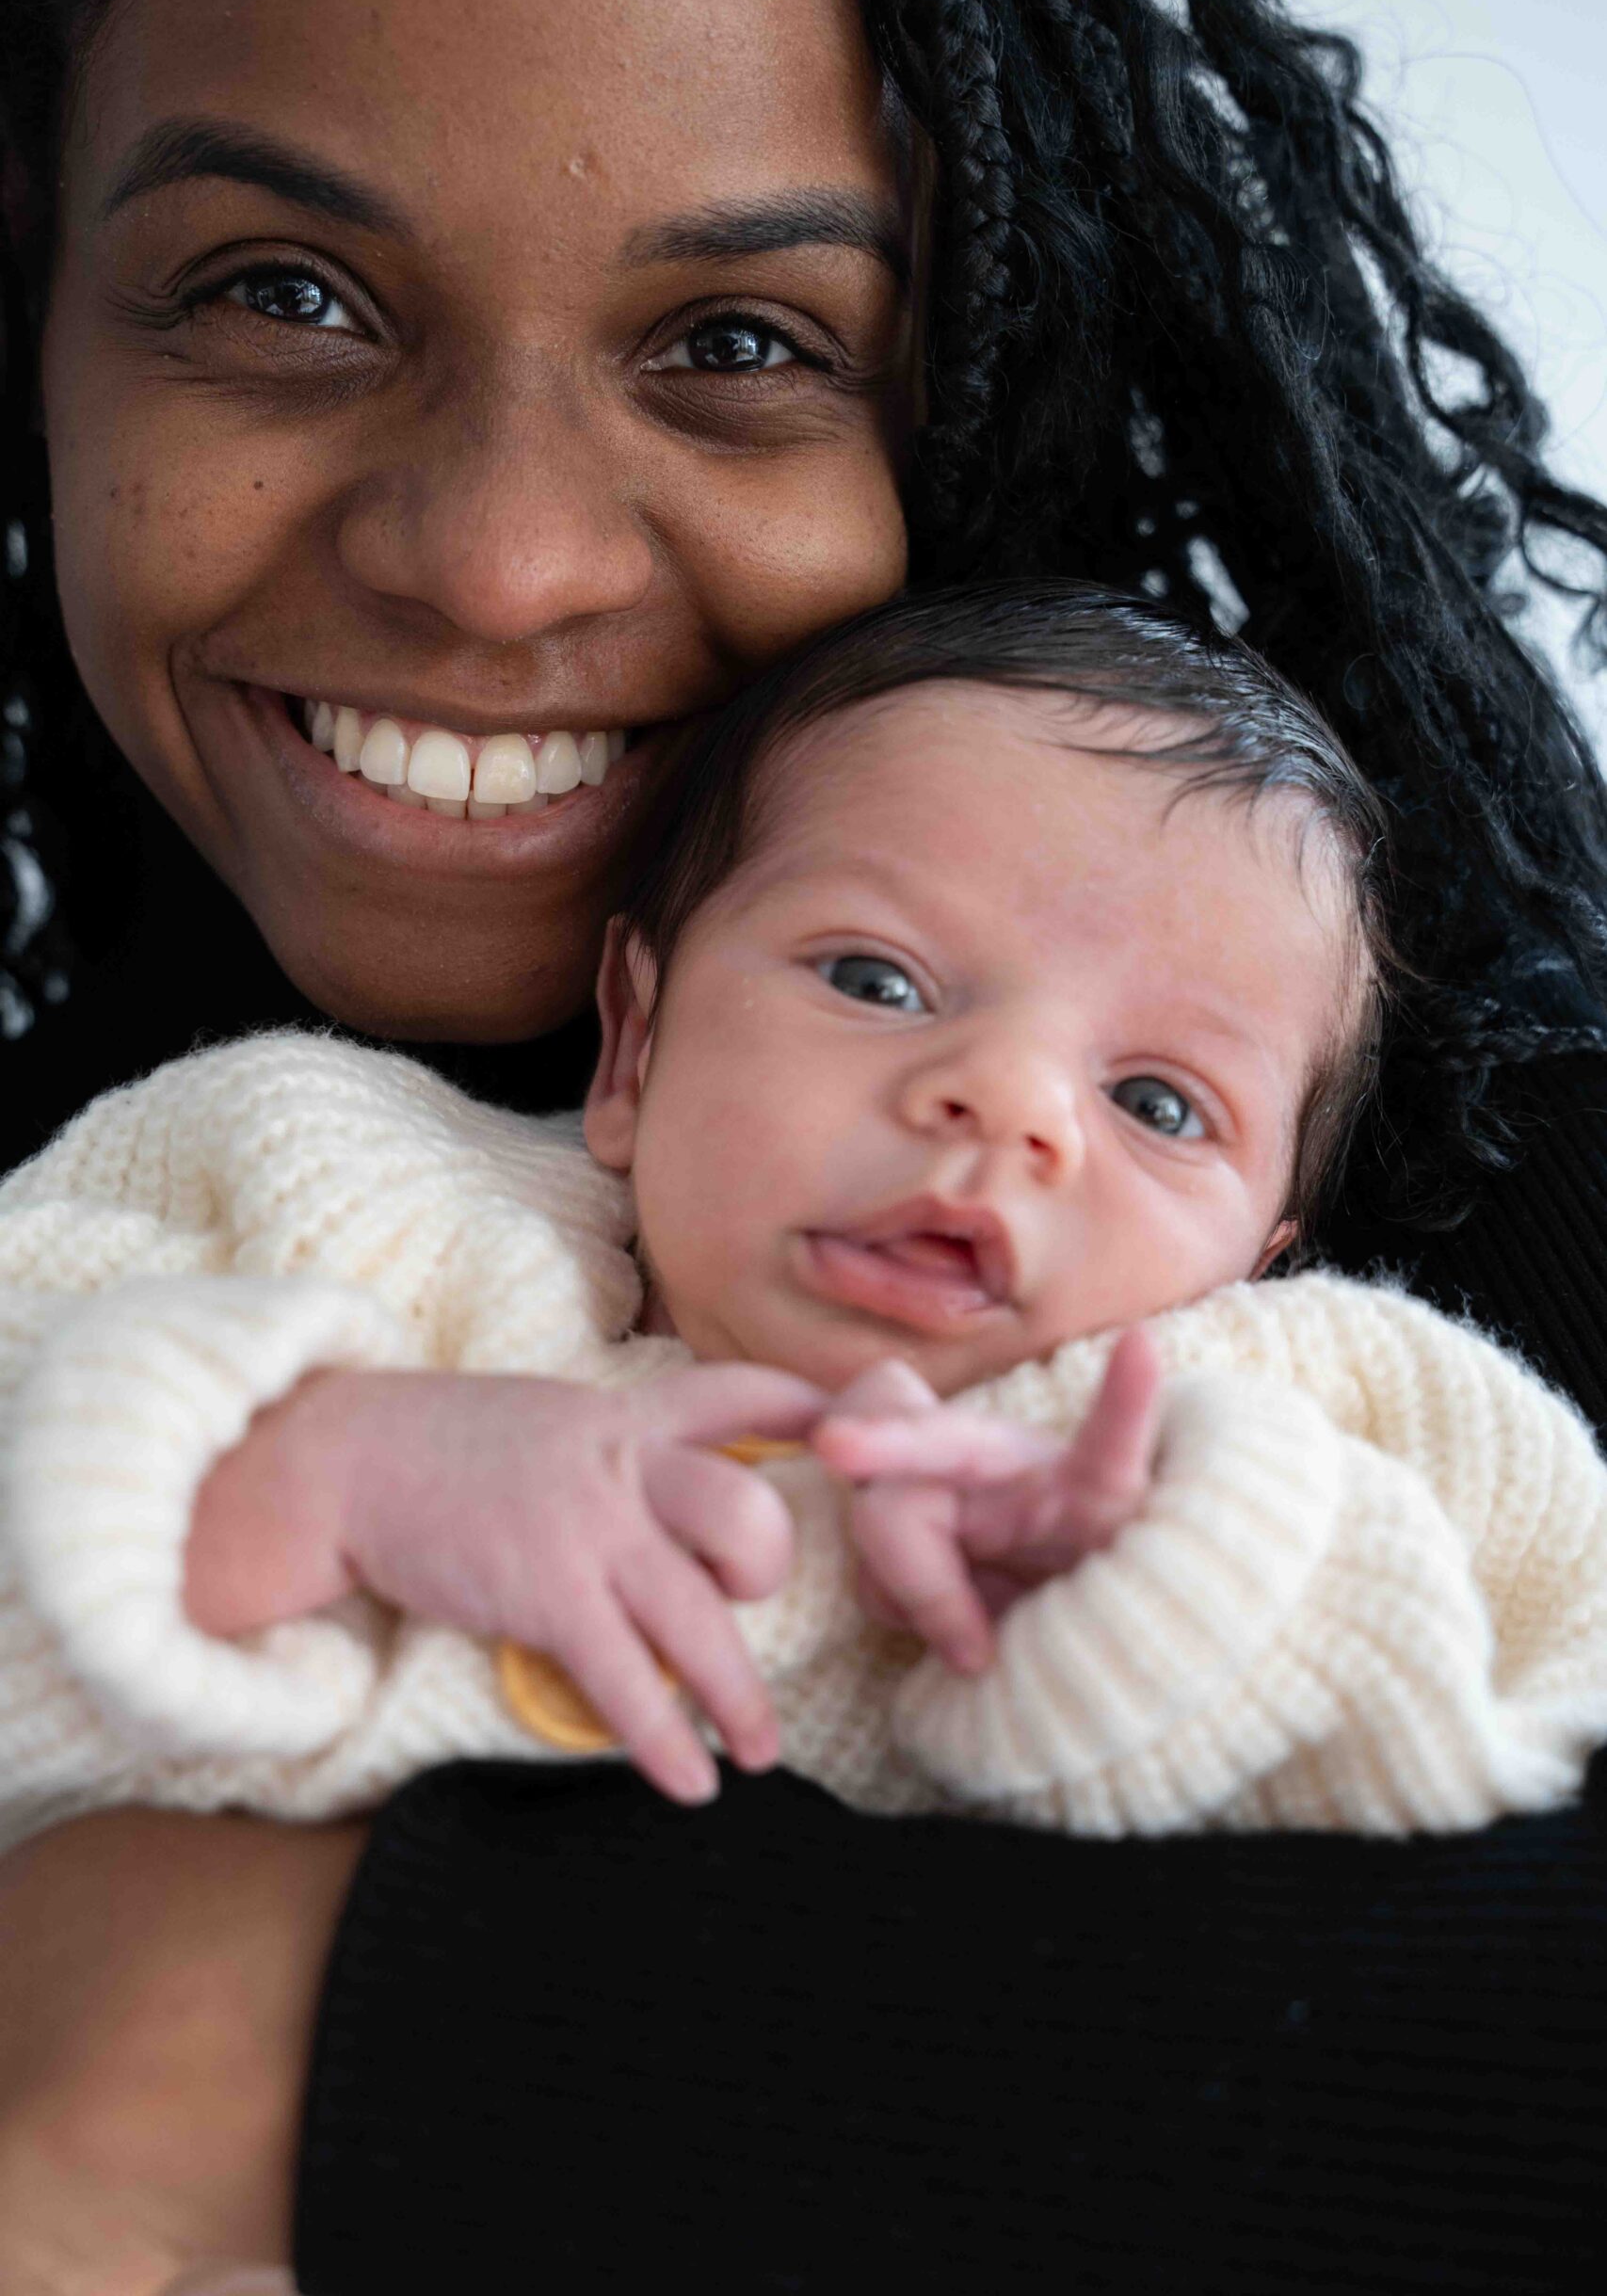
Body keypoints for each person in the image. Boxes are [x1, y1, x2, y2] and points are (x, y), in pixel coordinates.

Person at [2, 0, 1606, 2288]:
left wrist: (241, 2030)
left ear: (986, 360)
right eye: (283, 289)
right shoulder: (243, 1201)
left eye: (738, 337)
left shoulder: (1436, 1219)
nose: (499, 563)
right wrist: (322, 1456)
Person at [8, 582, 1607, 1853]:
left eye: (1160, 1104)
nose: (1011, 1104)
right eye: (875, 979)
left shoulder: (1286, 1412)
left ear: (1265, 1254)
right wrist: (327, 1470)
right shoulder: (335, 1182)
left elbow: (1502, 1705)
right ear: (633, 1041)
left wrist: (1163, 1589)